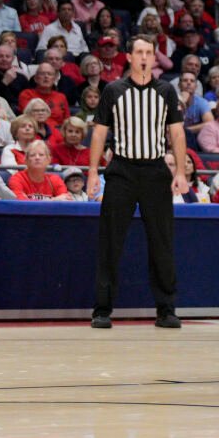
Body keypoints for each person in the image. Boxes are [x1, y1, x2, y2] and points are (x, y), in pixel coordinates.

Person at [87, 35, 187, 330]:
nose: (144, 57)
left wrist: (180, 171)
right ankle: (102, 309)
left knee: (162, 241)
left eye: (149, 52)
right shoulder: (113, 90)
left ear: (154, 58)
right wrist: (93, 171)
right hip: (122, 170)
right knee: (110, 241)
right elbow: (99, 133)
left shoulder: (166, 90)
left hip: (156, 171)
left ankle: (166, 309)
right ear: (128, 57)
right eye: (139, 52)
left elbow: (177, 134)